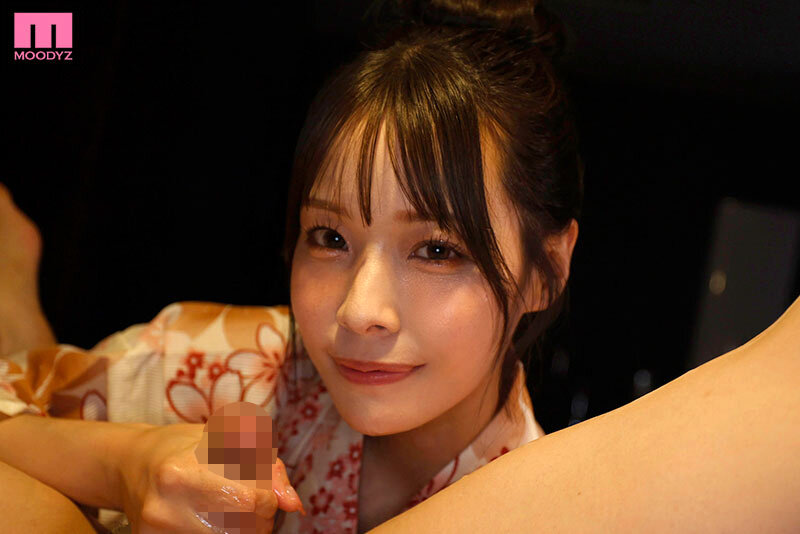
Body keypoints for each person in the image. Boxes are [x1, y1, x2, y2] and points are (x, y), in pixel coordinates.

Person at [0, 0, 581, 532]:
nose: (359, 311)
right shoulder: (244, 375)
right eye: (330, 237)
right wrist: (129, 463)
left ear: (545, 270)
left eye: (437, 250)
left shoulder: (546, 509)